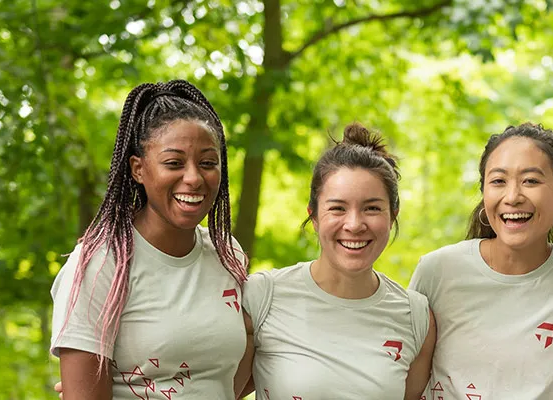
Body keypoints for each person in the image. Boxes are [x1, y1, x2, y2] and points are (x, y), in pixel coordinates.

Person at [49, 80, 252, 399]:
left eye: (208, 163)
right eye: (173, 163)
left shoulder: (227, 254)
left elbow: (226, 379)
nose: (193, 178)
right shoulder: (102, 263)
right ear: (138, 169)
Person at [239, 123, 437, 399]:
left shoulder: (415, 318)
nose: (354, 225)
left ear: (392, 216)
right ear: (314, 216)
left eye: (371, 208)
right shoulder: (263, 297)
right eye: (337, 208)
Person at [409, 123, 553, 399]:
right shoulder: (437, 271)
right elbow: (400, 377)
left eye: (531, 181)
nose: (513, 197)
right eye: (498, 181)